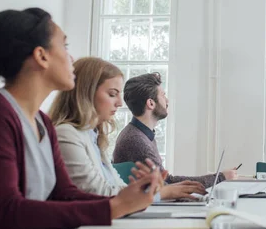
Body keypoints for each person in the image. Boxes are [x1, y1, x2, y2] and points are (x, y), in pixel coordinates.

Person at [0, 8, 166, 229]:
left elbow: (65, 193)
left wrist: (127, 202)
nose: (71, 58)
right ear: (41, 56)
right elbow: (5, 210)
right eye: (65, 46)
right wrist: (113, 207)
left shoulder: (42, 122)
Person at [49, 57, 206, 201]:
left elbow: (116, 186)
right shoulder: (67, 134)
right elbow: (97, 192)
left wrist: (153, 189)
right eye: (112, 94)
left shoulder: (92, 136)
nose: (119, 103)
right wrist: (160, 192)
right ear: (86, 94)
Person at [113, 72, 237, 187]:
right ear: (151, 103)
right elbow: (166, 183)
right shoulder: (136, 140)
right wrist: (220, 178)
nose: (167, 101)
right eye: (163, 95)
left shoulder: (140, 134)